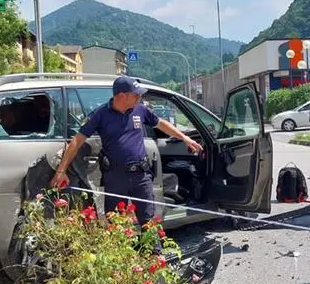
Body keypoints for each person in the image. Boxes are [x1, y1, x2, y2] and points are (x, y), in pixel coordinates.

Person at [50, 76, 203, 226]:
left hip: (141, 176)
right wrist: (60, 170)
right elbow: (77, 141)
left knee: (149, 221)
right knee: (115, 222)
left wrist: (185, 138)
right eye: (136, 94)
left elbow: (161, 124)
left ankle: (154, 252)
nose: (139, 97)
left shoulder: (140, 110)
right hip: (116, 177)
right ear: (122, 96)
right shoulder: (100, 114)